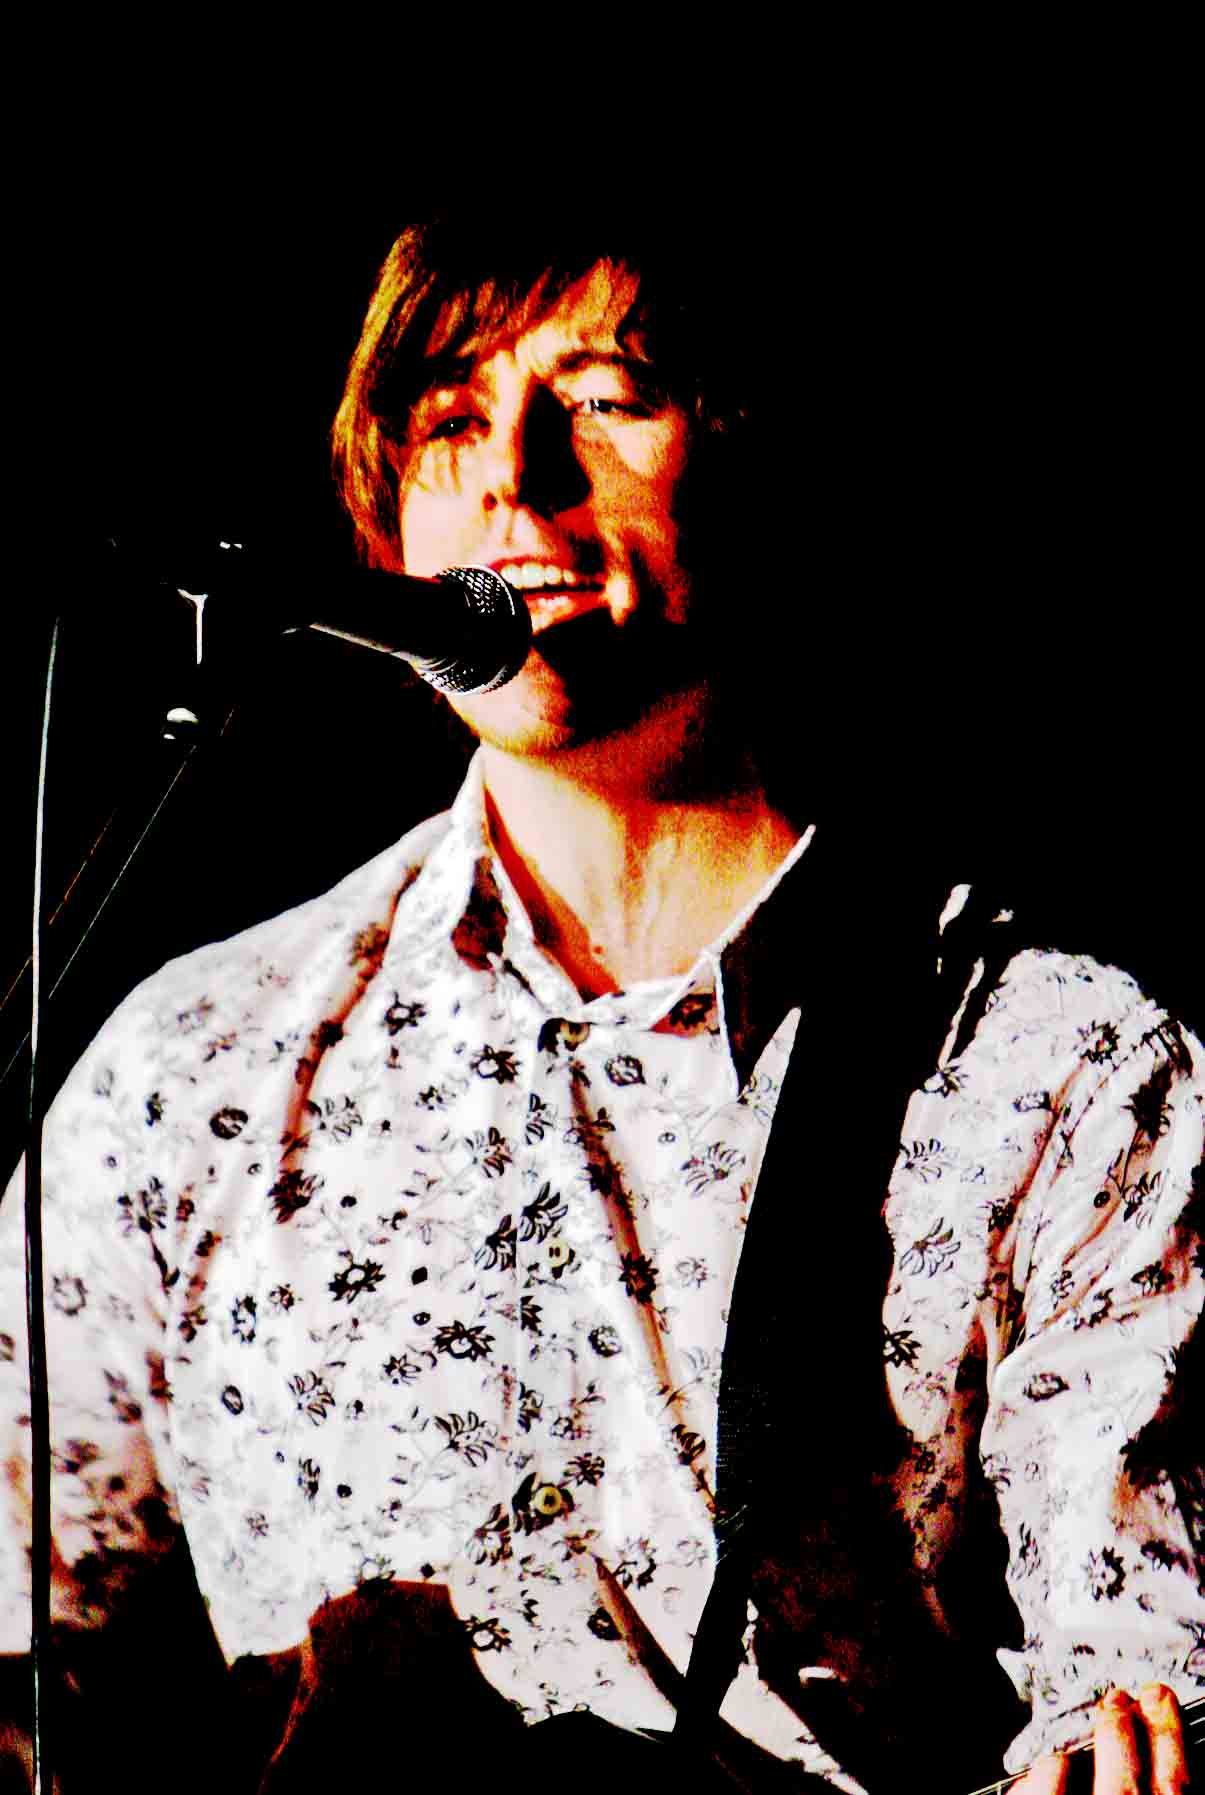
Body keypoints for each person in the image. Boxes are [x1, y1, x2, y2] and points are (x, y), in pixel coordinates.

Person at [1, 204, 1201, 1793]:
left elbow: (1130, 1683)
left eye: (604, 398)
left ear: (757, 460)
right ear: (384, 529)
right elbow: (28, 1642)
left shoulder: (1048, 1066)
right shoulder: (197, 1062)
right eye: (450, 420)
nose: (514, 476)